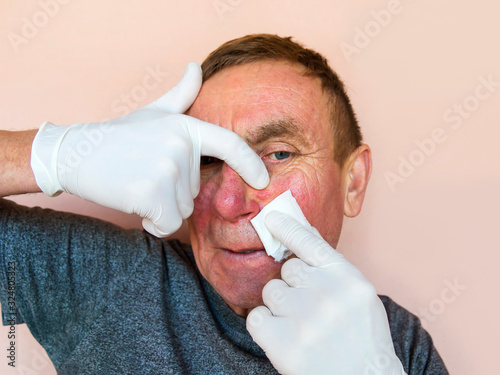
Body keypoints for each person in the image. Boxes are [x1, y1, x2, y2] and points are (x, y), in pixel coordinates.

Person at [0, 34, 448, 374]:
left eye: (278, 154)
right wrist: (56, 154)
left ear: (353, 183)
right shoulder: (111, 279)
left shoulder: (395, 342)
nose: (231, 202)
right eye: (208, 160)